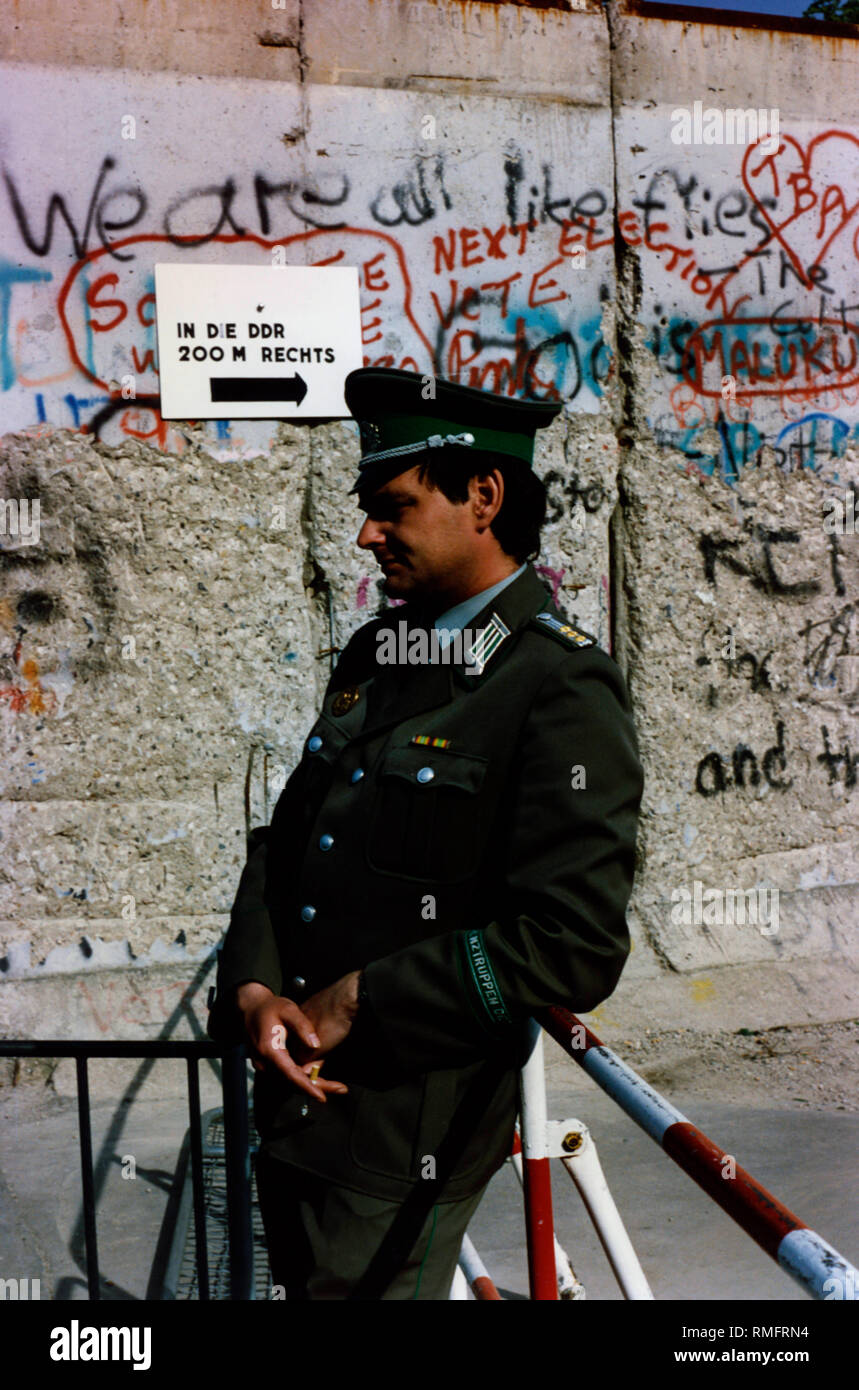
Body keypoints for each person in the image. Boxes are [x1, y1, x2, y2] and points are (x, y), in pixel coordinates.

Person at [207, 366, 644, 1300]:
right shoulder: (382, 650)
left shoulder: (557, 687)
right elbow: (288, 843)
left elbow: (570, 943)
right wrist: (251, 987)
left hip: (404, 1133)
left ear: (482, 497)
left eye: (392, 507)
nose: (366, 533)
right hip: (296, 1101)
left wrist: (359, 1000)